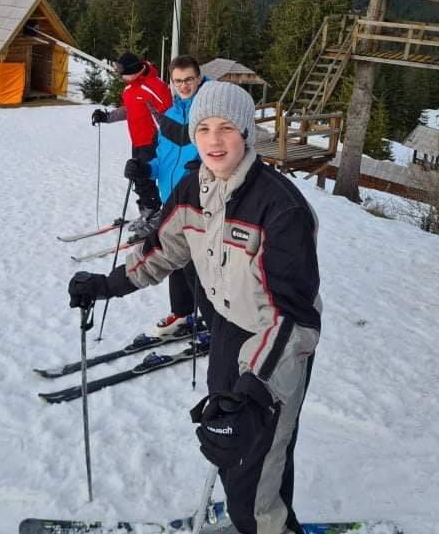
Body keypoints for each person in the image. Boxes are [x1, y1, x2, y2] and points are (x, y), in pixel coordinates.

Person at [71, 80, 321, 534]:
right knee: (230, 452)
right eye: (203, 127)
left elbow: (294, 319)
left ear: (246, 133)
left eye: (226, 127)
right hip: (225, 333)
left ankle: (270, 526)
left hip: (276, 350)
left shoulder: (281, 208)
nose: (214, 139)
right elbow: (163, 250)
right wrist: (105, 284)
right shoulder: (193, 188)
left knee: (257, 476)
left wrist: (253, 390)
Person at [124, 54, 210, 336]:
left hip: (201, 200)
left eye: (189, 80)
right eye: (178, 81)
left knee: (200, 264)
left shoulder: (210, 111)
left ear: (199, 78)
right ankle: (182, 314)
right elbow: (163, 159)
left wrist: (205, 167)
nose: (184, 86)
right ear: (171, 83)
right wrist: (144, 169)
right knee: (176, 257)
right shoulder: (171, 115)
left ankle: (216, 322)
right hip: (172, 199)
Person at [91, 51, 172, 232]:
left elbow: (168, 114)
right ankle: (147, 210)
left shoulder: (155, 86)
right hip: (137, 140)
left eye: (122, 72)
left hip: (154, 141)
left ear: (133, 70)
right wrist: (107, 117)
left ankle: (153, 214)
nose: (119, 76)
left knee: (145, 177)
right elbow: (130, 110)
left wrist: (169, 140)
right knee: (139, 177)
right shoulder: (130, 88)